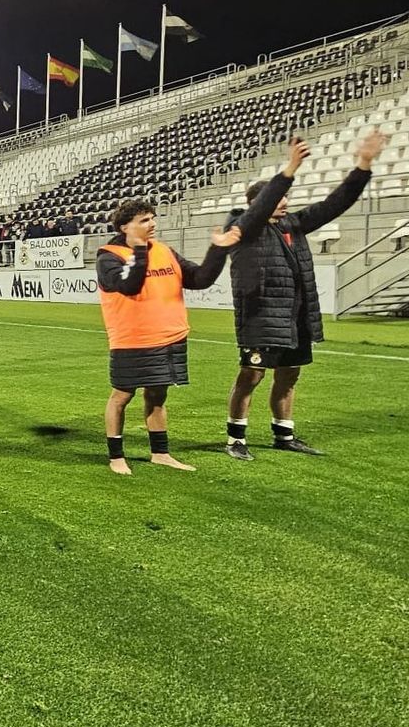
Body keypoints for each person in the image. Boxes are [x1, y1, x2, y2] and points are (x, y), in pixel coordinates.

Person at [223, 132, 384, 460]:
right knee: (251, 375)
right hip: (261, 318)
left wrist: (363, 165)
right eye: (278, 197)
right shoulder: (243, 227)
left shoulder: (293, 225)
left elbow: (334, 204)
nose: (285, 202)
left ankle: (284, 434)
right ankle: (236, 438)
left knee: (290, 374)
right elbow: (262, 206)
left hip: (295, 318)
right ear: (259, 203)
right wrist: (291, 166)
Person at [97, 200, 240, 475]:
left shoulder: (165, 250)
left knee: (158, 395)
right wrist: (139, 251)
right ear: (124, 226)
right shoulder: (109, 257)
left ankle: (160, 453)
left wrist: (218, 249)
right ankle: (116, 456)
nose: (151, 224)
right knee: (121, 396)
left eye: (152, 218)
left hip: (170, 337)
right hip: (132, 339)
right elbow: (129, 285)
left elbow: (199, 279)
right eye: (143, 220)